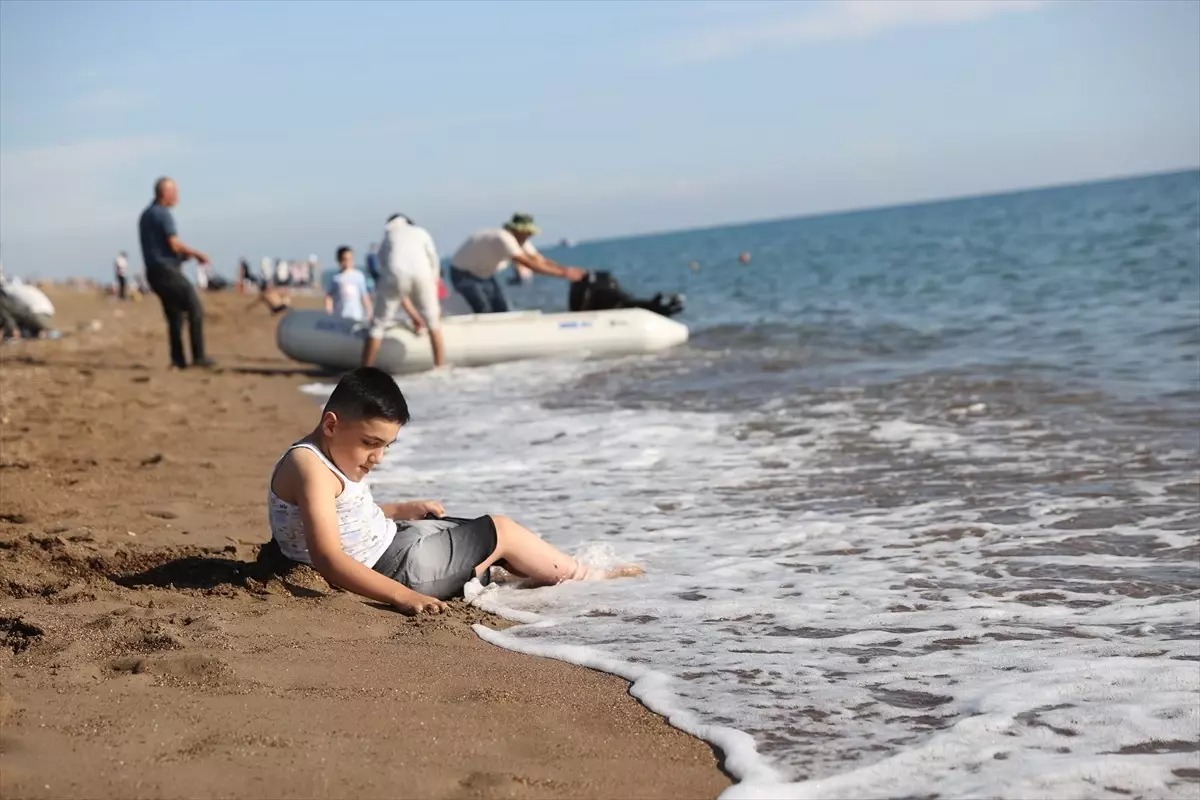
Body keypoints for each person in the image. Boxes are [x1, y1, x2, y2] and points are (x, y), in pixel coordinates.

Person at [268, 367, 642, 615]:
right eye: (371, 443)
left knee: (455, 526)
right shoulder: (311, 469)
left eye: (387, 446)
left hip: (387, 546)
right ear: (331, 425)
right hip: (391, 572)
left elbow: (341, 516)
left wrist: (398, 509)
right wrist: (404, 597)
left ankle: (508, 569)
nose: (378, 457)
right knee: (501, 529)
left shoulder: (322, 458)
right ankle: (585, 577)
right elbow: (329, 556)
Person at [137, 176, 214, 369]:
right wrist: (197, 254)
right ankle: (198, 357)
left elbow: (159, 248)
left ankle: (178, 359)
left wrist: (180, 257)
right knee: (195, 308)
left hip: (154, 272)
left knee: (175, 315)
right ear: (166, 193)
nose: (178, 197)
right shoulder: (162, 214)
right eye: (175, 192)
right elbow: (174, 243)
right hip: (166, 271)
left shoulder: (146, 215)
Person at [448, 213, 587, 314]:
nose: (529, 236)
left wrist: (568, 269)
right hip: (463, 273)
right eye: (527, 232)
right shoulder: (504, 238)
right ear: (517, 230)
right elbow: (529, 264)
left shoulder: (521, 241)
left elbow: (539, 260)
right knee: (483, 308)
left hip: (484, 274)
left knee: (501, 309)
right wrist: (564, 274)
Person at [362, 214, 446, 369]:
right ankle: (440, 367)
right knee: (433, 322)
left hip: (394, 274)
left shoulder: (389, 233)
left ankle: (365, 371)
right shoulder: (421, 232)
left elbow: (383, 262)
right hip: (423, 274)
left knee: (378, 326)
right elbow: (434, 259)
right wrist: (433, 282)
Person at [325, 246, 372, 322]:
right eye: (345, 259)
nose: (348, 262)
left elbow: (365, 296)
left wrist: (369, 312)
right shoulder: (336, 278)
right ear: (339, 260)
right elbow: (329, 296)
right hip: (341, 315)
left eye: (351, 259)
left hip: (356, 315)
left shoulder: (359, 276)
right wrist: (329, 312)